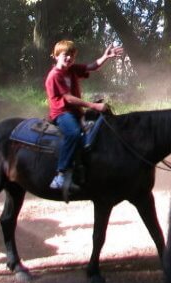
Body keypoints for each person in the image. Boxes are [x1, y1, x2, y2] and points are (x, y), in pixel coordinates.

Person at [46, 39, 123, 191]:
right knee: (74, 134)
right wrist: (94, 105)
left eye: (72, 56)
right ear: (56, 56)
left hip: (75, 112)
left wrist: (105, 57)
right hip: (62, 113)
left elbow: (91, 67)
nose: (69, 58)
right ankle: (60, 175)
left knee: (99, 128)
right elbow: (67, 98)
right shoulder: (54, 75)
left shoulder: (72, 69)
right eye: (65, 55)